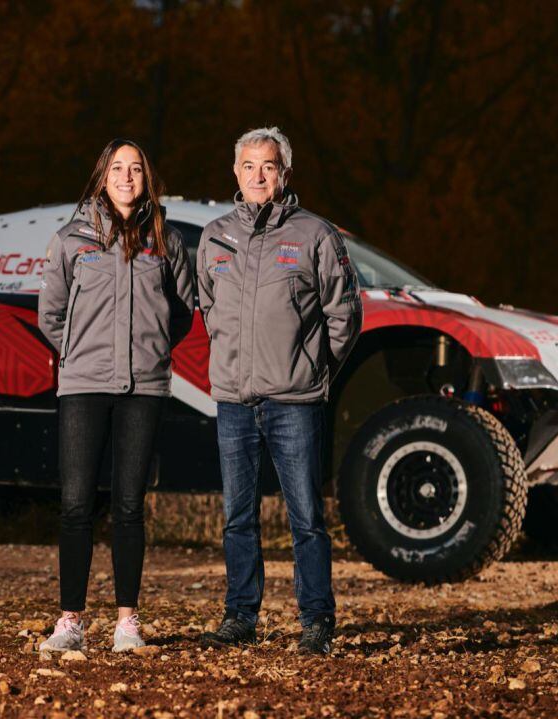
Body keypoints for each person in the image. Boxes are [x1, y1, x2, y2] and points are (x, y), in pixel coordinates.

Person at [196, 127, 362, 655]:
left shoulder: (314, 234)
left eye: (268, 166)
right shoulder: (215, 236)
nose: (258, 176)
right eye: (249, 166)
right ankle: (240, 616)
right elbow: (207, 305)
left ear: (284, 174)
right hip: (233, 401)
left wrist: (315, 367)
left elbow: (345, 312)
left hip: (295, 401)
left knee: (306, 518)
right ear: (236, 173)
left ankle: (317, 620)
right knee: (237, 517)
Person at [37, 139, 195, 653]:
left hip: (144, 389)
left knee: (129, 506)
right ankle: (70, 621)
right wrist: (81, 355)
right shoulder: (71, 239)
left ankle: (127, 622)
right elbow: (50, 315)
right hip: (82, 387)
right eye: (117, 169)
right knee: (76, 505)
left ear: (147, 178)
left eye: (136, 169)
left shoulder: (165, 240)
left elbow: (183, 313)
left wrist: (149, 349)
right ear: (102, 176)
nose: (127, 177)